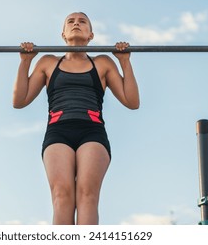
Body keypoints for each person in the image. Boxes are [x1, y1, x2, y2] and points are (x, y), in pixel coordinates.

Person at [13, 12, 140, 225]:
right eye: (71, 21)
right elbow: (19, 100)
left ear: (91, 35)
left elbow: (132, 102)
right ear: (63, 34)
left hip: (92, 132)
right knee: (61, 196)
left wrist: (125, 62)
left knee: (87, 195)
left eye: (82, 22)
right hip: (57, 132)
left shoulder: (103, 63)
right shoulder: (47, 62)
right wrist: (25, 62)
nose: (76, 24)